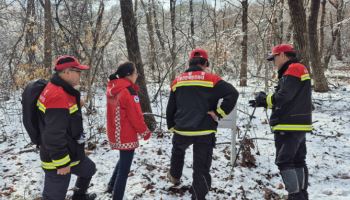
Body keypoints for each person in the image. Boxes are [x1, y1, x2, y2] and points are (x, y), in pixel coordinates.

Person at [166, 48, 239, 200]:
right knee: (201, 167)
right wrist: (219, 113)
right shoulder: (211, 79)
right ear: (205, 63)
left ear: (190, 62)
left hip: (182, 129)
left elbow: (171, 107)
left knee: (177, 153)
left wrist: (171, 125)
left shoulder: (177, 80)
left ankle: (174, 176)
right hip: (204, 131)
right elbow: (233, 93)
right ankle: (198, 196)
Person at [249, 44, 312, 200]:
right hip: (299, 123)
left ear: (283, 55)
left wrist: (265, 99)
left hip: (288, 123)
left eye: (274, 58)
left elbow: (284, 96)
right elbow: (291, 96)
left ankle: (295, 195)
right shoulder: (298, 69)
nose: (273, 62)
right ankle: (301, 195)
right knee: (297, 160)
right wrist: (265, 101)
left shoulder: (293, 69)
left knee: (284, 161)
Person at [36, 55, 96, 200]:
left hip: (72, 151)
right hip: (58, 160)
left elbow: (67, 121)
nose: (80, 75)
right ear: (67, 72)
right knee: (54, 197)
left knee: (89, 169)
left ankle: (79, 196)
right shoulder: (58, 96)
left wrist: (79, 149)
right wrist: (62, 163)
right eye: (78, 72)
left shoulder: (61, 88)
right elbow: (53, 135)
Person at [106, 61, 152, 200]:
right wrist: (145, 132)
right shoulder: (128, 91)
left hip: (115, 131)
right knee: (125, 168)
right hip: (126, 133)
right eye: (135, 72)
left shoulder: (113, 88)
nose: (137, 74)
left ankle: (111, 186)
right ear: (128, 75)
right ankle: (117, 196)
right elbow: (135, 116)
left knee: (123, 159)